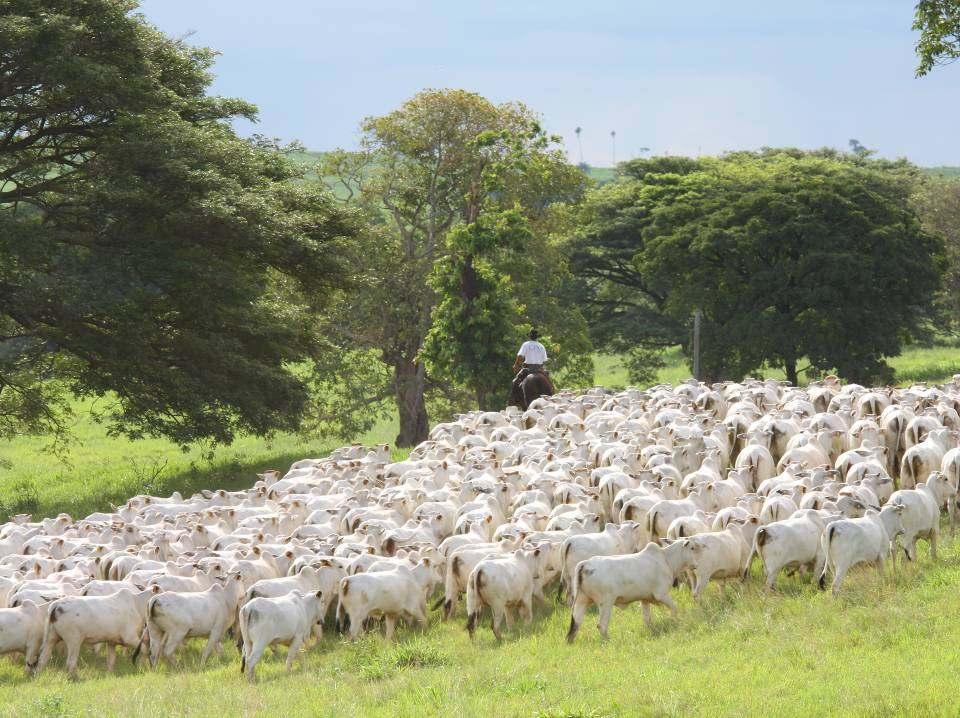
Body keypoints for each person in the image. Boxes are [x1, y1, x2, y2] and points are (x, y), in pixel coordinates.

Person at [512, 330, 551, 396]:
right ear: (537, 337)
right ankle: (552, 394)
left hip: (528, 368)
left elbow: (520, 356)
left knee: (515, 382)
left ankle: (513, 401)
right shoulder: (541, 346)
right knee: (550, 383)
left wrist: (515, 365)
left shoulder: (526, 344)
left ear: (529, 337)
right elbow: (544, 360)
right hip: (539, 369)